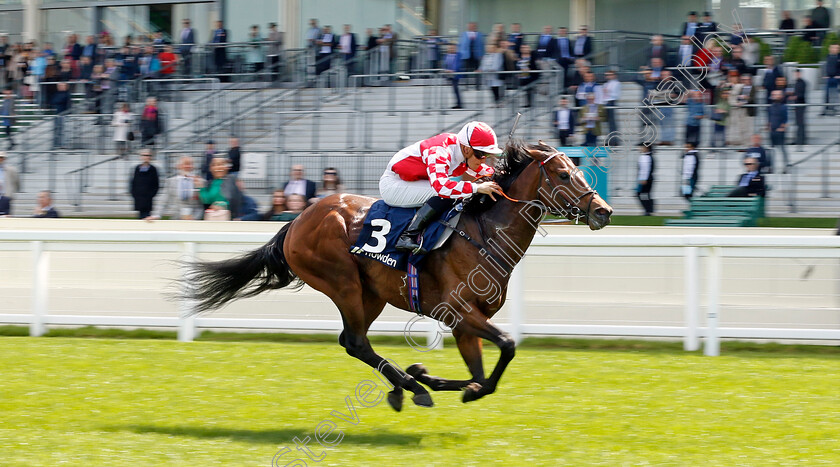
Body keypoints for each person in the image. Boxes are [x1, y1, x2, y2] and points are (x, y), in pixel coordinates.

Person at [380, 121, 503, 254]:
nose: (483, 160)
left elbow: (483, 171)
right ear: (467, 149)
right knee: (447, 192)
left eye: (487, 155)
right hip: (393, 184)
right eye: (481, 155)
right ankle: (407, 236)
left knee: (456, 191)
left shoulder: (463, 152)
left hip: (411, 182)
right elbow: (441, 187)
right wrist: (476, 188)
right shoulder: (440, 150)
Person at [149, 156, 204, 220]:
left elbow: (201, 204)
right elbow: (163, 200)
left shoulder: (200, 181)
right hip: (176, 218)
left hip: (194, 219)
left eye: (190, 164)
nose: (188, 166)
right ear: (178, 166)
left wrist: (195, 218)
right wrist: (156, 215)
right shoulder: (170, 181)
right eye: (186, 164)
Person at [199, 156, 245, 220]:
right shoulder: (210, 183)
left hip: (229, 217)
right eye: (215, 165)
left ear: (226, 167)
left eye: (221, 164)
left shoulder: (232, 179)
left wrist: (222, 205)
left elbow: (236, 199)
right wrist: (202, 188)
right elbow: (206, 200)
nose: (219, 167)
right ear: (211, 168)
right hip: (212, 217)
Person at [130, 149, 160, 219]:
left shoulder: (153, 169)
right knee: (140, 215)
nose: (147, 157)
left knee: (146, 215)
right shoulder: (137, 168)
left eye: (148, 155)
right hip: (139, 197)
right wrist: (134, 194)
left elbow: (156, 184)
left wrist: (151, 194)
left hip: (148, 198)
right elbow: (133, 182)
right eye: (144, 155)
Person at [768, 89, 789, 171]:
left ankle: (786, 166)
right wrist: (769, 126)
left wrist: (782, 127)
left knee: (782, 149)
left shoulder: (784, 107)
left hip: (780, 130)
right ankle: (771, 167)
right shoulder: (771, 107)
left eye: (777, 94)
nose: (774, 96)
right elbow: (769, 118)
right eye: (774, 94)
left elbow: (785, 119)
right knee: (772, 150)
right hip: (772, 130)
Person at [51, 81, 71, 149]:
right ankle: (56, 143)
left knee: (63, 130)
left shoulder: (67, 94)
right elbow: (53, 101)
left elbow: (66, 103)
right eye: (59, 86)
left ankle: (63, 144)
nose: (60, 87)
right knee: (57, 129)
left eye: (62, 86)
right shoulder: (56, 93)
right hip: (57, 114)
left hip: (63, 114)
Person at [636, 143, 655, 216]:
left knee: (643, 194)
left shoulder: (647, 157)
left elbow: (647, 169)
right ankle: (649, 209)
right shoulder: (643, 156)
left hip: (645, 179)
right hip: (642, 178)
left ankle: (648, 209)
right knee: (643, 194)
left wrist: (644, 179)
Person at [443, 43, 462, 109]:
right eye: (450, 48)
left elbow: (459, 64)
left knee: (455, 89)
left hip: (455, 74)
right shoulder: (446, 55)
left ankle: (459, 104)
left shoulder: (458, 55)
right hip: (447, 74)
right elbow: (444, 64)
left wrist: (453, 70)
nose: (451, 49)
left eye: (453, 48)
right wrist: (445, 70)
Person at [0, 151, 18, 215]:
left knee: (8, 215)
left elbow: (16, 182)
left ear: (5, 159)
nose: (0, 159)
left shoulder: (11, 170)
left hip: (6, 196)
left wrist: (12, 193)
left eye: (2, 157)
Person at [793, 69, 807, 147]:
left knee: (800, 124)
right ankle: (798, 139)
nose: (797, 75)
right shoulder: (796, 83)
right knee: (798, 124)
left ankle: (801, 140)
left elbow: (802, 95)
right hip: (797, 105)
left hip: (801, 105)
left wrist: (795, 96)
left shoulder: (802, 83)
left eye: (798, 74)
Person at [824, 44, 839, 116]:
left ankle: (833, 108)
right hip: (829, 77)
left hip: (836, 78)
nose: (836, 49)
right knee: (827, 93)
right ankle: (826, 108)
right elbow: (827, 67)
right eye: (834, 48)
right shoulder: (828, 56)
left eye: (837, 48)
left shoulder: (838, 57)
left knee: (834, 93)